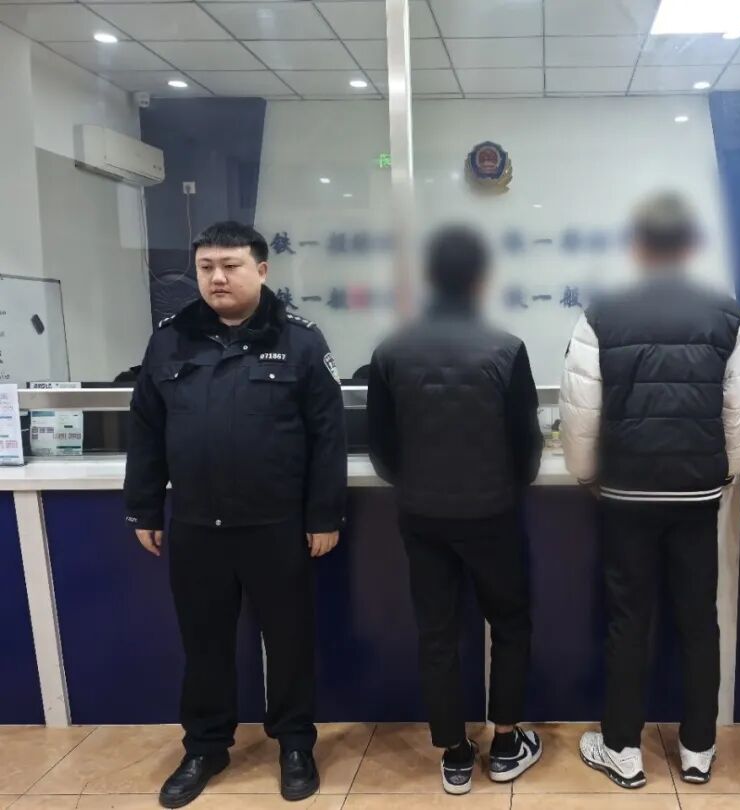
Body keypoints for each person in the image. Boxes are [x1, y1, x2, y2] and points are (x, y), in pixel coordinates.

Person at [124, 221, 347, 808]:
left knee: (290, 641)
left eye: (231, 265)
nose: (217, 277)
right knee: (204, 643)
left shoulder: (300, 340)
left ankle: (295, 744)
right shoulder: (170, 340)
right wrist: (143, 507)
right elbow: (145, 429)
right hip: (197, 524)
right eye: (206, 267)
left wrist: (324, 515)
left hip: (276, 524)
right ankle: (205, 746)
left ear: (262, 270)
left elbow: (328, 436)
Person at [559, 193, 740, 789]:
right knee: (699, 620)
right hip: (696, 496)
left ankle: (623, 748)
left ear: (637, 247)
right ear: (691, 246)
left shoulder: (602, 313)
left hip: (626, 494)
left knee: (629, 621)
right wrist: (720, 475)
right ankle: (698, 748)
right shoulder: (728, 313)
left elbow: (580, 412)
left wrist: (587, 475)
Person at [366, 225, 544, 795]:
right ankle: (507, 744)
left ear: (428, 277)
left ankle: (455, 754)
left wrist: (416, 483)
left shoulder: (390, 351)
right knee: (509, 623)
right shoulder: (506, 348)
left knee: (437, 634)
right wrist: (505, 488)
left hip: (421, 517)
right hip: (492, 515)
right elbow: (527, 448)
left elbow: (381, 449)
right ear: (482, 279)